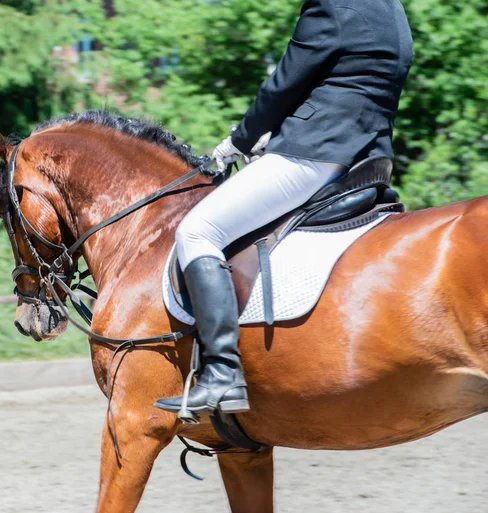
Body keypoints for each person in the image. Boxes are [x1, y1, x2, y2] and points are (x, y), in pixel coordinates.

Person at [154, 0, 414, 417]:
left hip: (316, 151)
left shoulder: (330, 6)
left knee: (198, 231)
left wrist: (239, 141)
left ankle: (221, 374)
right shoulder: (391, 8)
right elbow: (346, 80)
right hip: (369, 155)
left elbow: (283, 84)